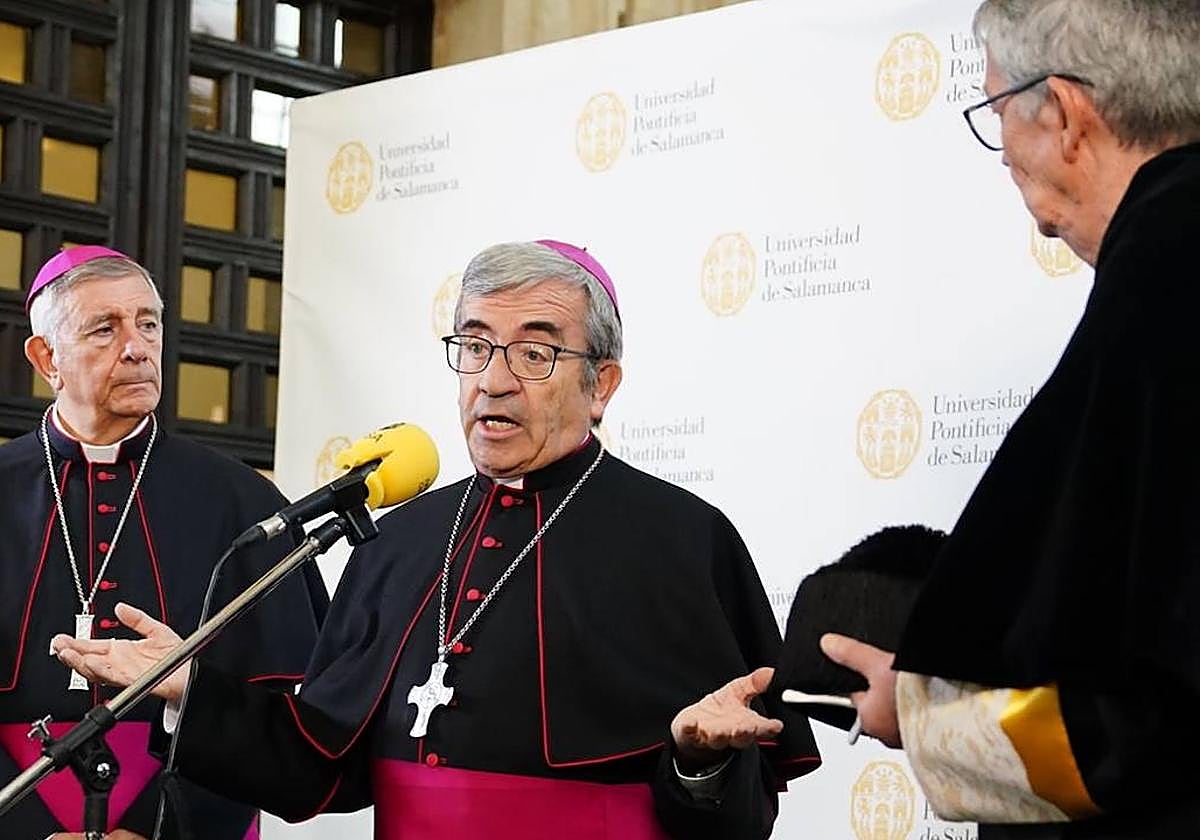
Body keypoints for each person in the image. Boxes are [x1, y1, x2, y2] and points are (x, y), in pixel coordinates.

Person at [53, 239, 820, 839]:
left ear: (602, 383)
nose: (493, 379)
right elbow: (321, 771)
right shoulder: (401, 541)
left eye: (536, 352)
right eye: (476, 345)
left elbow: (737, 822)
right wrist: (194, 687)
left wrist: (696, 762)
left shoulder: (682, 542)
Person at [818, 2, 1200, 837]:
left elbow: (1151, 702)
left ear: (1064, 116)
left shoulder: (1166, 270)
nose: (1004, 156)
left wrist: (922, 717)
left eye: (996, 114)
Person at [0, 246, 329, 839]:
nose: (137, 346)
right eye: (105, 328)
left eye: (148, 323)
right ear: (46, 357)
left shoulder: (242, 502)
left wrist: (165, 829)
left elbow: (273, 720)